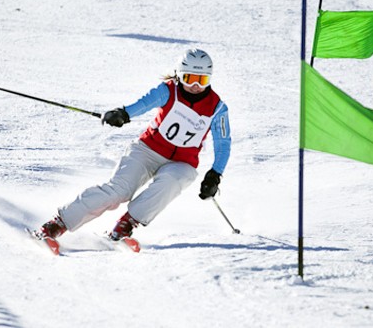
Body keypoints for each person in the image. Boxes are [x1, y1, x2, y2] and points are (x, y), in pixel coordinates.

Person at [33, 48, 231, 253]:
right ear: (180, 75)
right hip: (147, 151)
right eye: (190, 78)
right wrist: (123, 114)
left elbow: (223, 144)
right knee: (118, 191)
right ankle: (55, 225)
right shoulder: (168, 91)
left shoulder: (217, 108)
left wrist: (215, 175)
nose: (196, 86)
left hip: (182, 162)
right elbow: (144, 103)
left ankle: (123, 227)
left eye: (202, 80)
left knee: (178, 178)